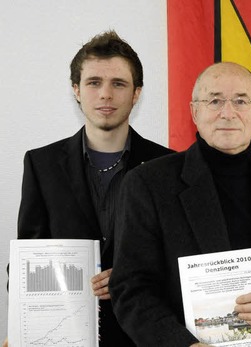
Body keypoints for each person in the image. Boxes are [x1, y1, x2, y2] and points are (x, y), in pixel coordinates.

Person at [109, 61, 251, 346]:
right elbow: (131, 288)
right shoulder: (148, 184)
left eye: (241, 101)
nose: (228, 113)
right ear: (194, 111)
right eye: (214, 100)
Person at [14, 30, 173, 346]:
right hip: (65, 336)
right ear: (76, 90)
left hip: (146, 336)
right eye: (93, 82)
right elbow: (26, 262)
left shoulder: (167, 166)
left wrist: (131, 278)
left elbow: (181, 259)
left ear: (137, 93)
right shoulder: (41, 164)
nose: (105, 94)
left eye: (118, 84)